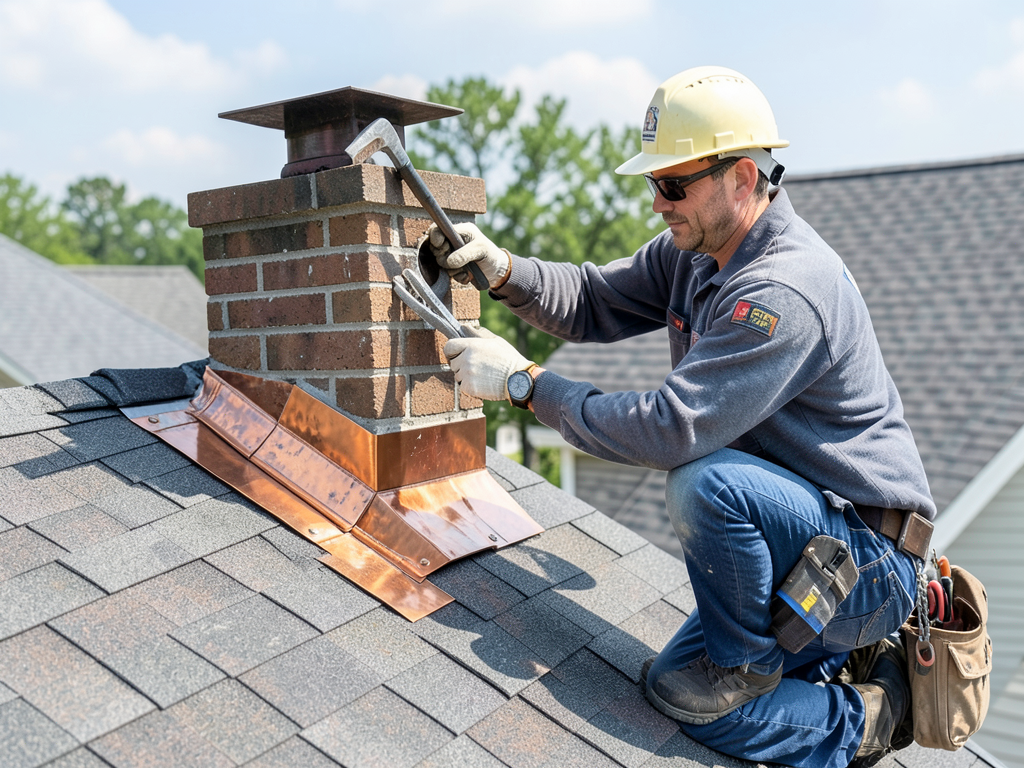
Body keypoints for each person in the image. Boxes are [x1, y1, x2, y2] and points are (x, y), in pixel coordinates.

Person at [424, 66, 935, 768]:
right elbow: (594, 298)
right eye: (653, 183)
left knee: (703, 483)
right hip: (804, 546)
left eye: (674, 184)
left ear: (743, 178)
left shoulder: (783, 294)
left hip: (862, 566)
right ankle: (835, 688)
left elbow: (671, 429)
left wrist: (522, 383)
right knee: (676, 694)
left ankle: (861, 712)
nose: (658, 204)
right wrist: (507, 270)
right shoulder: (696, 254)